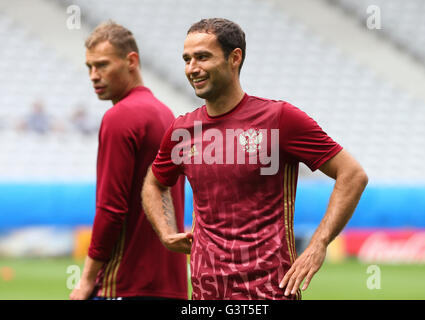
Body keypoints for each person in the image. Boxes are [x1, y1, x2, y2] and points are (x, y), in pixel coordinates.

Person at [141, 18, 368, 300]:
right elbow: (154, 182)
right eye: (187, 59)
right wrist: (165, 232)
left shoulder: (279, 119)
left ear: (234, 58)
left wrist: (318, 244)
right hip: (206, 294)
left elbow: (352, 174)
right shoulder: (183, 131)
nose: (192, 68)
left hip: (270, 292)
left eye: (202, 57)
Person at [70, 21, 187, 300]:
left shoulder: (120, 117)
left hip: (125, 283)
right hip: (170, 285)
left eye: (102, 65)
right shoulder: (166, 115)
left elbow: (111, 208)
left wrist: (86, 280)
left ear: (131, 61)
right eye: (89, 68)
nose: (94, 75)